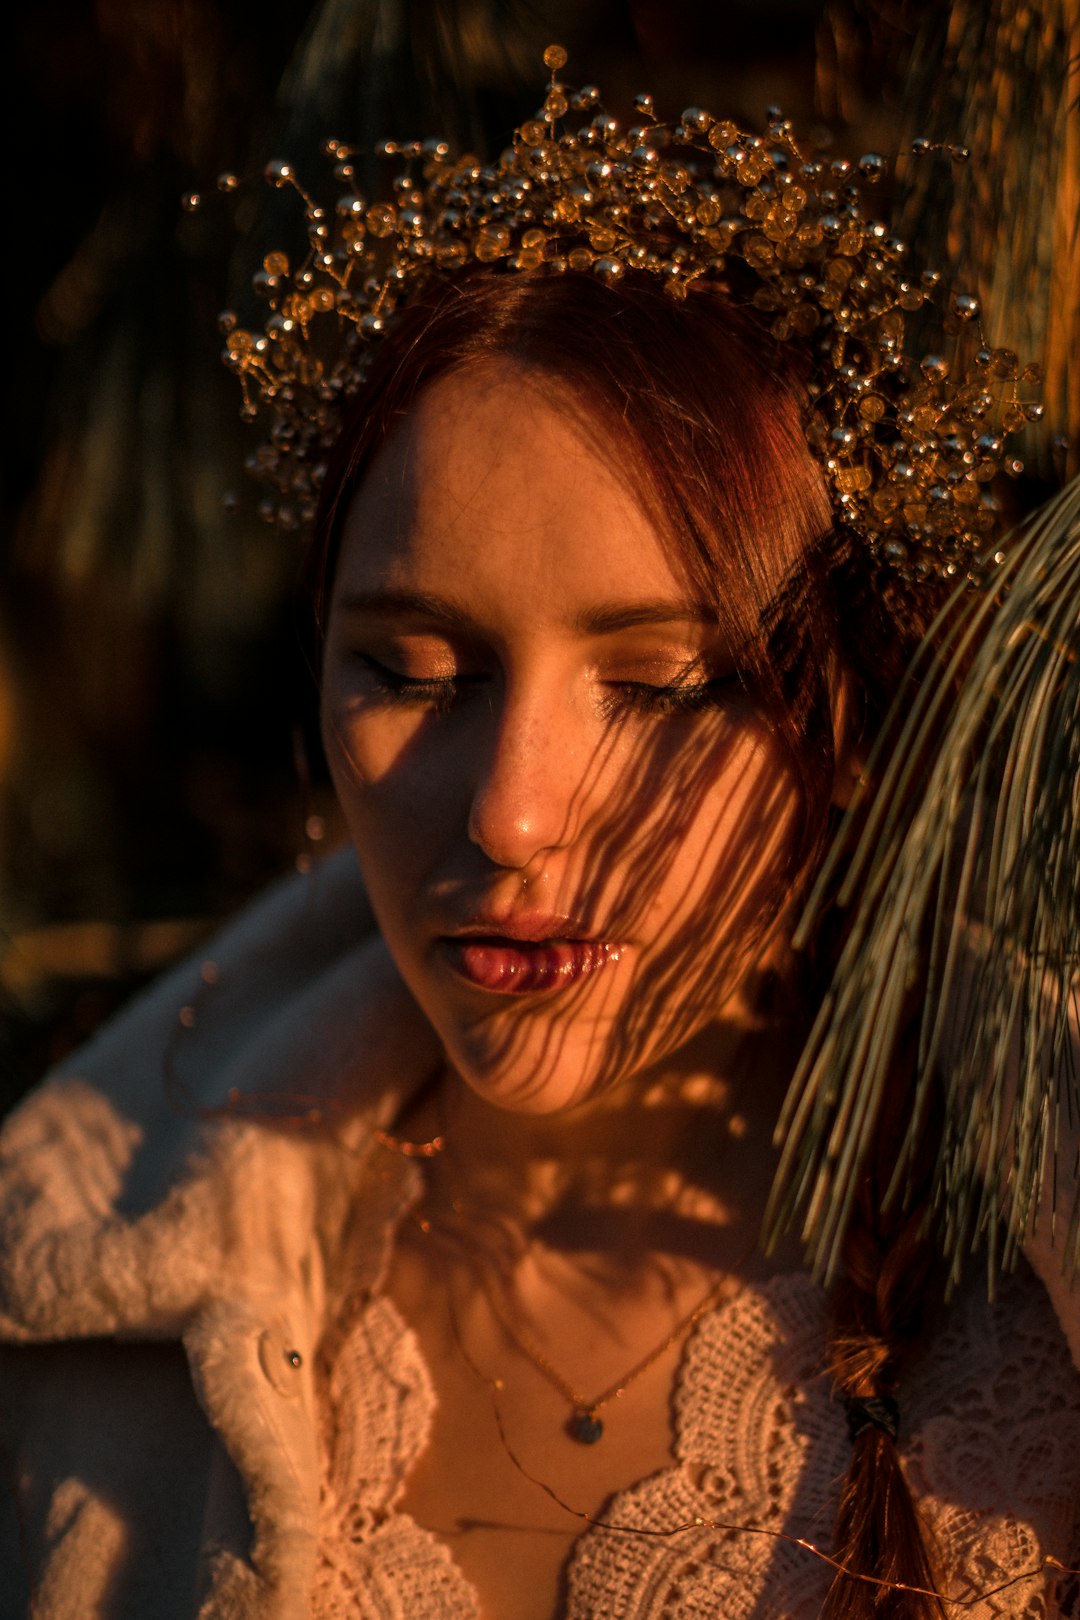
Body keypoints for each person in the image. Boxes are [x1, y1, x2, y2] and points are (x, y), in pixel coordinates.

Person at [1, 52, 1078, 1620]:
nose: (510, 816)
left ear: (845, 724)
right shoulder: (75, 1346)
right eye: (414, 672)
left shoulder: (1026, 1344)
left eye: (659, 688)